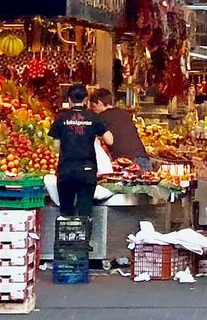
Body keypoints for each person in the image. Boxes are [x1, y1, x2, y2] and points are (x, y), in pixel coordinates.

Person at [49, 84, 112, 220]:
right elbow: (110, 140)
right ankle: (83, 240)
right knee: (85, 213)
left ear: (69, 99)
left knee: (66, 213)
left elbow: (55, 145)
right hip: (87, 170)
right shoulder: (93, 117)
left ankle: (67, 239)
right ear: (86, 99)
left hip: (66, 170)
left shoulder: (61, 118)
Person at [88, 86, 150, 169]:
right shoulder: (124, 113)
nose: (93, 110)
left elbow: (107, 140)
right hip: (143, 158)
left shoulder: (101, 118)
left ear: (99, 103)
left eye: (94, 106)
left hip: (126, 162)